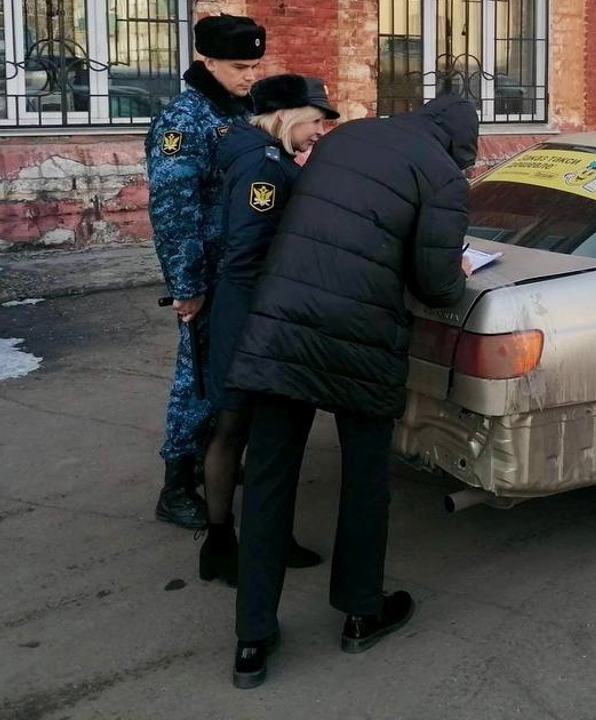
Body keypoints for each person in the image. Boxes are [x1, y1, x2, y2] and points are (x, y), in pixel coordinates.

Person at [224, 94, 479, 689]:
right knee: (365, 481)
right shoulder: (443, 176)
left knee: (267, 477)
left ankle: (251, 641)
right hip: (361, 339)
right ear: (460, 148)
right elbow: (438, 286)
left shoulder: (344, 137)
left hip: (283, 324)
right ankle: (362, 614)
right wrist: (456, 272)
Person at [198, 74, 340, 586]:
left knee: (237, 427)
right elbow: (248, 255)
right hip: (254, 315)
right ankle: (235, 542)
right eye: (316, 119)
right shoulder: (264, 163)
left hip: (245, 311)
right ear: (286, 114)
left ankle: (233, 540)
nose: (321, 129)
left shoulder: (260, 154)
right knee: (247, 428)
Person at [145, 14, 265, 529]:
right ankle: (176, 486)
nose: (249, 76)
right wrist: (187, 286)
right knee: (194, 380)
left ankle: (213, 459)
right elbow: (173, 212)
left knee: (227, 373)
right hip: (206, 277)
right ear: (207, 61)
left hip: (238, 271)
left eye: (255, 66)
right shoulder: (183, 119)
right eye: (240, 67)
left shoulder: (241, 111)